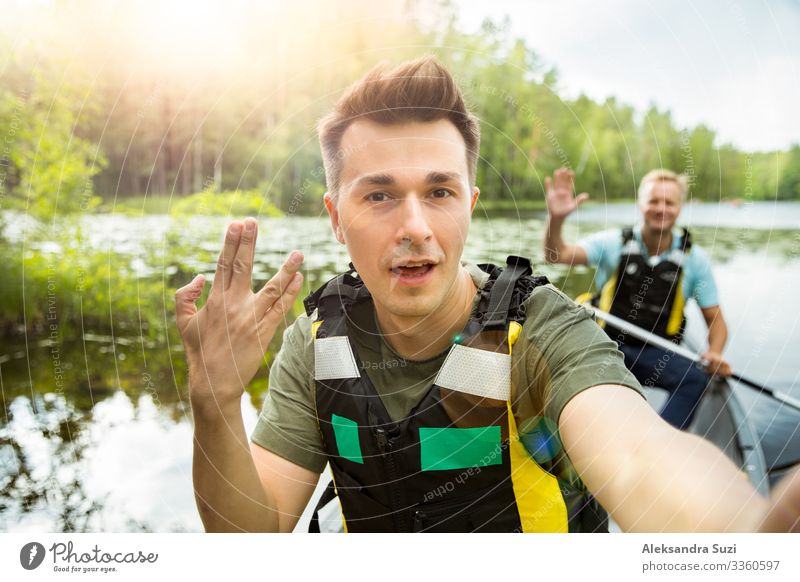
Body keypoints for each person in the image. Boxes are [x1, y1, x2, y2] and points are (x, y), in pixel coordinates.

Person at [175, 57, 800, 533]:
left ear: (469, 206)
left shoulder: (542, 328)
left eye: (440, 192)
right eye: (380, 194)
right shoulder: (314, 343)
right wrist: (215, 403)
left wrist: (748, 539)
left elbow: (638, 456)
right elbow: (248, 534)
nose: (416, 226)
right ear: (336, 217)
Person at [543, 168, 731, 429]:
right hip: (605, 346)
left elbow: (717, 322)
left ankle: (660, 442)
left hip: (656, 354)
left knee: (694, 379)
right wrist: (556, 220)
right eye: (653, 201)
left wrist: (715, 352)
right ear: (640, 204)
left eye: (669, 202)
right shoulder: (612, 243)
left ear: (680, 208)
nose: (661, 208)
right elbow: (556, 255)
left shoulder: (695, 260)